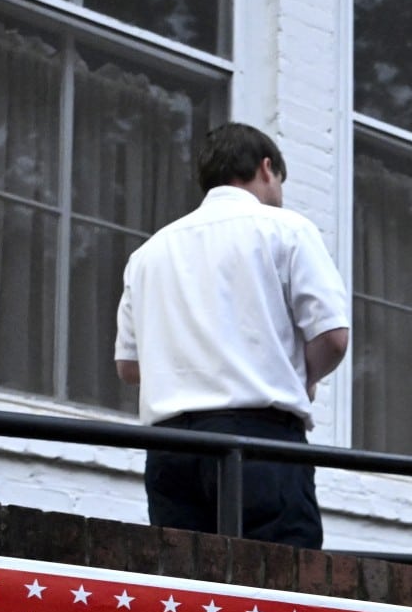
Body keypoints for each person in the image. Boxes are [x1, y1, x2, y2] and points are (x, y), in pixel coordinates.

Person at [116, 123, 349, 549]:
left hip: (170, 449)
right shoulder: (287, 230)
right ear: (266, 168)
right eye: (279, 181)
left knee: (187, 581)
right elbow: (333, 337)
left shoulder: (148, 254)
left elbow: (129, 367)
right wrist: (303, 377)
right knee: (278, 576)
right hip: (259, 441)